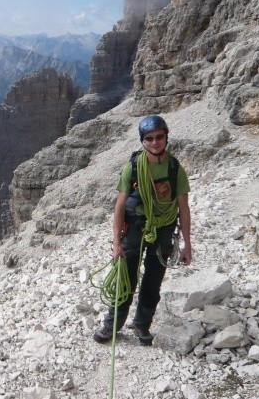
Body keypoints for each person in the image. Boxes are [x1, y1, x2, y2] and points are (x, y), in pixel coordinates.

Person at [93, 115, 192, 345]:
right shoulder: (134, 168)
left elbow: (184, 208)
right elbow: (119, 207)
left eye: (159, 137)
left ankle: (142, 325)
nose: (155, 142)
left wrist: (187, 244)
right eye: (149, 138)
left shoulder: (176, 168)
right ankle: (112, 324)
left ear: (166, 138)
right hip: (135, 229)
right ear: (143, 141)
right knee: (125, 277)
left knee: (153, 280)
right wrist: (116, 243)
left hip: (164, 229)